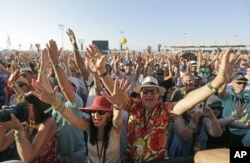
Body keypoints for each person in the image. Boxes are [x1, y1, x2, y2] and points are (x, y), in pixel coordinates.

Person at [83, 45, 239, 162]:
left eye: (153, 91)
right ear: (140, 94)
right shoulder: (134, 105)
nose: (149, 94)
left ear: (159, 94)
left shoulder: (166, 109)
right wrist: (103, 72)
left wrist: (218, 81)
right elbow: (117, 94)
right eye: (145, 91)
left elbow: (188, 101)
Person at [31, 77, 130, 163]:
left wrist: (117, 106)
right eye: (93, 112)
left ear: (109, 115)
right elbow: (72, 119)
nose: (96, 115)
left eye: (101, 112)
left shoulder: (115, 128)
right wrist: (55, 103)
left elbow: (117, 119)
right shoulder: (89, 126)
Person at [0, 93, 58, 162]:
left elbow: (28, 157)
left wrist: (19, 129)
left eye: (26, 106)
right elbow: (2, 145)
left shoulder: (49, 122)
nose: (22, 110)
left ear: (37, 106)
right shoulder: (26, 123)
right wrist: (3, 122)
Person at [218, 72, 250, 147]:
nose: (242, 85)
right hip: (230, 129)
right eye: (239, 82)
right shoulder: (228, 94)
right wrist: (226, 78)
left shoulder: (248, 93)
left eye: (244, 83)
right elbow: (221, 91)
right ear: (232, 83)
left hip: (246, 130)